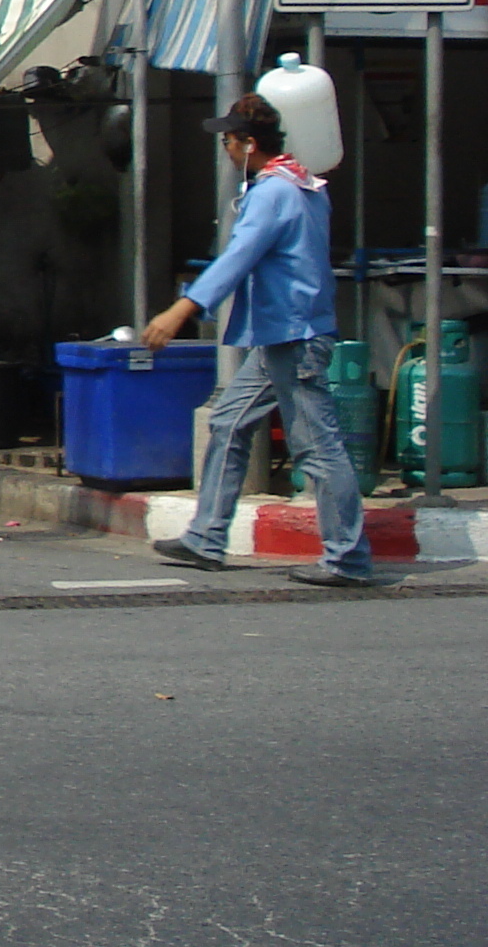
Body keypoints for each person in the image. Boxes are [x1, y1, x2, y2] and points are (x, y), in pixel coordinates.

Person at [143, 93, 373, 586]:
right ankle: (205, 537)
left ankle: (348, 558)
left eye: (227, 141)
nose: (225, 150)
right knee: (228, 421)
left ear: (249, 144)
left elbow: (238, 256)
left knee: (317, 448)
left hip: (296, 336)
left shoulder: (273, 193)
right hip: (283, 334)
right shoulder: (303, 184)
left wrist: (184, 307)